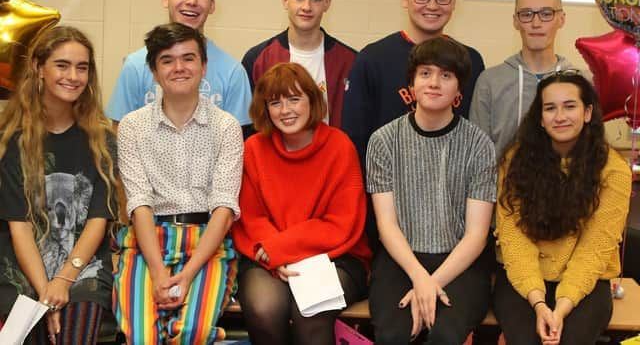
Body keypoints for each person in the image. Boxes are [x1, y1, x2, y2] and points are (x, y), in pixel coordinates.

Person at [112, 23, 243, 343]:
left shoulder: (226, 127)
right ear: (154, 72)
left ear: (203, 66)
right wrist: (158, 272)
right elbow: (138, 202)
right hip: (148, 242)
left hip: (206, 244)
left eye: (188, 58)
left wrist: (186, 275)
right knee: (141, 337)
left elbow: (224, 208)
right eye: (167, 60)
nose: (179, 68)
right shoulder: (132, 127)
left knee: (191, 333)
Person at [366, 37, 496, 344]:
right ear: (411, 84)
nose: (434, 83)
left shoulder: (479, 146)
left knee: (445, 335)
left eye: (446, 75)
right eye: (425, 73)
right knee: (393, 334)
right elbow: (386, 226)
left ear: (459, 91)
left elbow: (477, 235)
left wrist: (432, 283)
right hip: (401, 257)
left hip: (461, 261)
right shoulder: (383, 141)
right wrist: (419, 276)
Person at [231, 62, 371, 345]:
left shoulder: (339, 146)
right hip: (267, 255)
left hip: (335, 255)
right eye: (275, 102)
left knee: (311, 312)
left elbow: (341, 223)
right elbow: (252, 217)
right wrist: (276, 253)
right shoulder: (254, 149)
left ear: (312, 100)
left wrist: (282, 250)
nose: (286, 110)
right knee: (264, 308)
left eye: (294, 99)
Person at [0, 26, 119, 344]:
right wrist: (46, 290)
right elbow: (20, 226)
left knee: (74, 332)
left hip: (83, 263)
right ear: (39, 68)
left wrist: (64, 280)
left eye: (82, 67)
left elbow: (98, 219)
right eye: (62, 65)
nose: (74, 76)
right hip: (23, 264)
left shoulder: (101, 139)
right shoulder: (12, 139)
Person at [494, 71, 631, 344]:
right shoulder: (515, 162)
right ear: (540, 119)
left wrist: (562, 307)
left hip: (586, 283)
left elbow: (595, 250)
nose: (560, 116)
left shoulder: (613, 170)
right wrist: (540, 304)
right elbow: (514, 240)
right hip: (523, 281)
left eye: (570, 106)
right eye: (550, 108)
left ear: (588, 112)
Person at [342, 0, 485, 167]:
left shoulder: (471, 60)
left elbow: (475, 137)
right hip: (386, 192)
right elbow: (355, 142)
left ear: (454, 1)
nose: (433, 5)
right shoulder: (372, 59)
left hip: (451, 191)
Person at [107, 0, 252, 129]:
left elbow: (237, 139)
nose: (192, 1)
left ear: (212, 5)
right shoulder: (135, 66)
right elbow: (119, 134)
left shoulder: (233, 73)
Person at [242, 0, 356, 128]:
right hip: (275, 154)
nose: (307, 7)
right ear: (285, 0)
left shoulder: (351, 61)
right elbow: (250, 124)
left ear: (327, 3)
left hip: (330, 154)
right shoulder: (258, 59)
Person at [470, 0, 576, 158]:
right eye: (526, 14)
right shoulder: (489, 82)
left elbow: (591, 148)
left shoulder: (579, 82)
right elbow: (477, 153)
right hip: (502, 184)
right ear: (516, 21)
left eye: (546, 14)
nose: (536, 23)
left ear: (561, 19)